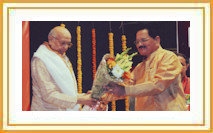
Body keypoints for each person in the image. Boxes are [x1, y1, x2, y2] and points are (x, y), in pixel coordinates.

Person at [104, 25, 187, 111]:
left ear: (157, 40)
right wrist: (98, 96)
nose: (140, 44)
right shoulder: (139, 68)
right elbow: (124, 87)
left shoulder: (169, 57)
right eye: (137, 42)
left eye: (144, 40)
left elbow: (158, 85)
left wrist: (125, 90)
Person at [30, 25, 98, 111]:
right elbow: (48, 95)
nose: (65, 47)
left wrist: (85, 96)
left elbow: (66, 92)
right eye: (62, 43)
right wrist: (81, 100)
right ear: (51, 39)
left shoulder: (62, 57)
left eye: (68, 44)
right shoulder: (40, 59)